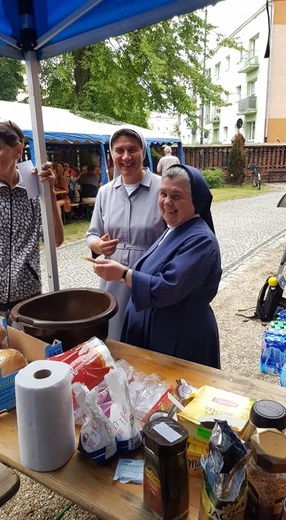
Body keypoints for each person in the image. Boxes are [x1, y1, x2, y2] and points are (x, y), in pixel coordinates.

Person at [91, 164, 222, 369]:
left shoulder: (201, 241)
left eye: (176, 196)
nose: (167, 202)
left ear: (195, 200)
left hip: (180, 336)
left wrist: (123, 274)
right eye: (162, 194)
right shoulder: (174, 228)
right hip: (158, 330)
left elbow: (169, 286)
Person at [86, 127, 166, 340]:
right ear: (112, 155)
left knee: (148, 336)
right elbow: (92, 234)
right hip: (113, 279)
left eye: (133, 149)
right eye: (119, 150)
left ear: (143, 151)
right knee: (116, 335)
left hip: (150, 276)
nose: (126, 156)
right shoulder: (105, 192)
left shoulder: (161, 188)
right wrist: (98, 246)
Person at [0, 121, 64, 317]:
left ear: (18, 151)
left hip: (28, 297)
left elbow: (55, 240)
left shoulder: (33, 184)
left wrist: (49, 191)